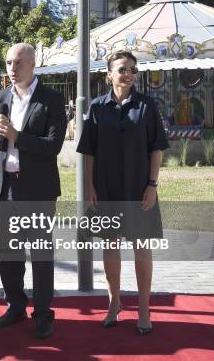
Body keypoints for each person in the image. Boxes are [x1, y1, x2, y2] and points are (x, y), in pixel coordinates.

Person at [77, 50, 169, 335]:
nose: (127, 73)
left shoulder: (147, 106)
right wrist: (89, 185)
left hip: (139, 189)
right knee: (111, 245)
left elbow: (156, 149)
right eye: (121, 69)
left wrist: (152, 185)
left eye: (131, 69)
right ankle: (114, 302)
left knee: (142, 247)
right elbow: (89, 152)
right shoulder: (96, 107)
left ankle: (143, 308)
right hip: (106, 189)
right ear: (109, 74)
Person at [0, 43, 66, 339]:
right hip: (6, 187)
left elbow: (53, 146)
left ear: (33, 64)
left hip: (38, 190)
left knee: (41, 254)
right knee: (9, 254)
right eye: (8, 62)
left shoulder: (52, 100)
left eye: (18, 62)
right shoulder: (1, 97)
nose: (12, 67)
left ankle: (43, 314)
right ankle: (15, 306)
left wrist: (17, 137)